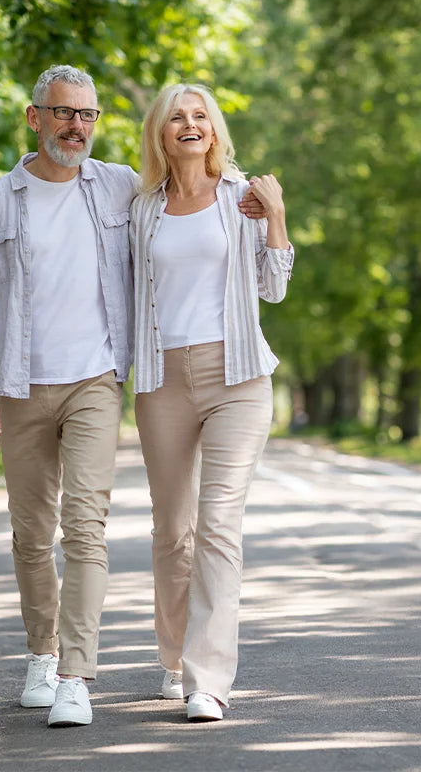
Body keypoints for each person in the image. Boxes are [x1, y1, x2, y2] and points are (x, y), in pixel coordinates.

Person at [0, 65, 266, 729]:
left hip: (105, 378)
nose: (77, 126)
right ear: (34, 118)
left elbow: (241, 250)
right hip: (29, 382)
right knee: (40, 533)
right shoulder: (3, 201)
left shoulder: (127, 186)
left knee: (92, 527)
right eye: (64, 113)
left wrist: (272, 215)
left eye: (88, 115)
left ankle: (80, 675)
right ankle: (47, 654)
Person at [129, 83, 293, 722]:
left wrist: (277, 215)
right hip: (163, 378)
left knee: (218, 524)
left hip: (239, 377)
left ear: (214, 130)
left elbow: (273, 289)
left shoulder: (243, 197)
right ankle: (174, 659)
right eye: (177, 118)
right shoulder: (142, 208)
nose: (190, 125)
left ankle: (209, 679)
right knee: (174, 531)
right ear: (160, 135)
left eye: (201, 116)